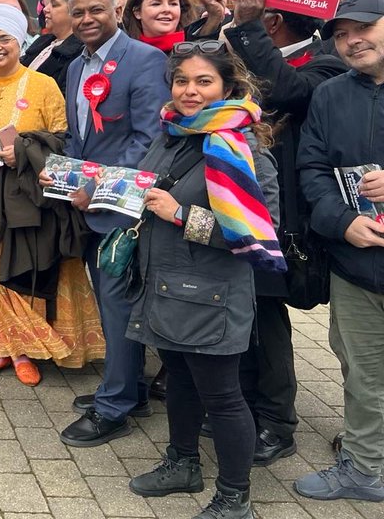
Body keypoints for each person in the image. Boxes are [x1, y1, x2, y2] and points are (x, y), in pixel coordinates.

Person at [125, 40, 283, 519]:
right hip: (163, 283)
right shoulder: (171, 134)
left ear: (228, 87)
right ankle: (183, 463)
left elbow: (261, 234)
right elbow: (146, 191)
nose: (189, 91)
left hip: (211, 295)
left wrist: (180, 215)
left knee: (223, 396)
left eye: (203, 81)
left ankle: (235, 498)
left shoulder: (242, 149)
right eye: (182, 81)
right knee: (179, 384)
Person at [224, 0, 344, 466]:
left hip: (283, 218)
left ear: (270, 21)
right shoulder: (264, 56)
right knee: (246, 311)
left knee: (267, 319)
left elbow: (288, 92)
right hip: (241, 205)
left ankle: (277, 422)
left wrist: (245, 31)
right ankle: (246, 405)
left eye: (254, 18)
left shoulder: (325, 63)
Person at [0, 3, 104, 385]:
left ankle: (29, 349)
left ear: (20, 41)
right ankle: (0, 349)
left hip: (26, 195)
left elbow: (63, 137)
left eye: (5, 39)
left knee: (19, 267)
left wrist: (21, 151)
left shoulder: (43, 85)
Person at [57, 0, 170, 447]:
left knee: (119, 305)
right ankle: (132, 388)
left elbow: (148, 140)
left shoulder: (146, 60)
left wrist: (94, 185)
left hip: (124, 209)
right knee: (110, 304)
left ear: (117, 11)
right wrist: (62, 173)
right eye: (78, 12)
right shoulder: (76, 67)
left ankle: (115, 406)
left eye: (96, 10)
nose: (86, 20)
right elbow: (80, 139)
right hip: (88, 208)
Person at [294, 0, 384, 503]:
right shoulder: (331, 95)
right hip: (356, 264)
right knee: (361, 370)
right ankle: (364, 468)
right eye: (342, 33)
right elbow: (313, 169)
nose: (353, 40)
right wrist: (342, 221)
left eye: (364, 28)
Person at [122, 0, 226, 52]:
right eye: (156, 4)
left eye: (173, 4)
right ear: (137, 12)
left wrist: (213, 19)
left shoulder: (191, 48)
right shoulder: (123, 51)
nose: (166, 9)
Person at [23, 0, 85, 95]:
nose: (46, 9)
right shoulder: (42, 42)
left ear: (74, 10)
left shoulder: (81, 52)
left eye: (54, 4)